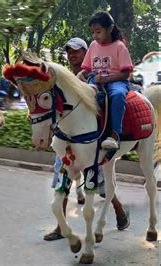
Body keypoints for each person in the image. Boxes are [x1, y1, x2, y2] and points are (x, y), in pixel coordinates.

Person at [44, 37, 129, 241]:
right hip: (65, 139)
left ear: (86, 54)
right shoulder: (62, 79)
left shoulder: (92, 78)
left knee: (98, 182)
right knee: (61, 179)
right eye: (69, 51)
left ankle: (120, 212)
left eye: (76, 51)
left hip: (90, 140)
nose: (72, 54)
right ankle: (60, 226)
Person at [77, 11, 133, 150]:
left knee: (118, 95)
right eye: (93, 32)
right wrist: (80, 74)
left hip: (117, 81)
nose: (95, 36)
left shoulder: (120, 46)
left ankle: (115, 135)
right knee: (85, 94)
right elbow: (87, 67)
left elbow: (125, 73)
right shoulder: (93, 46)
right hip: (96, 80)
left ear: (109, 29)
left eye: (98, 32)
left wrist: (106, 79)